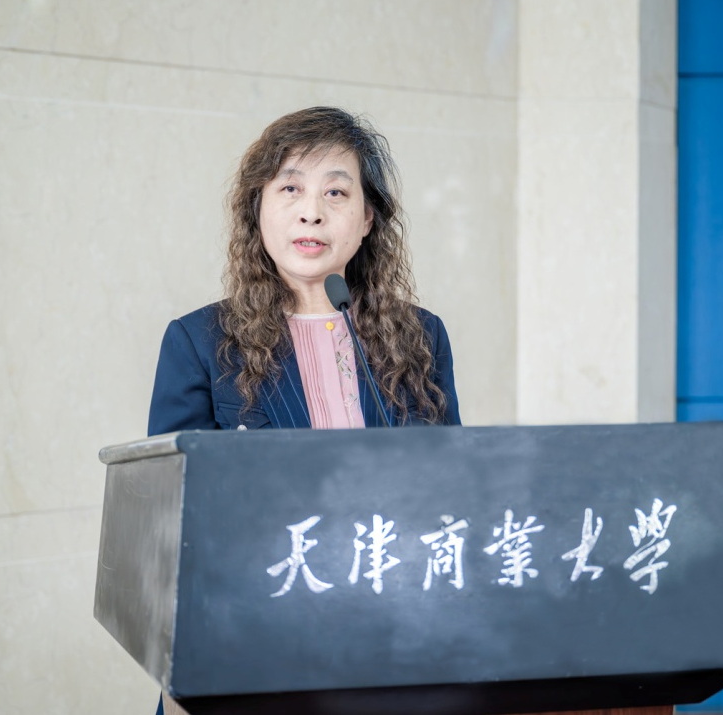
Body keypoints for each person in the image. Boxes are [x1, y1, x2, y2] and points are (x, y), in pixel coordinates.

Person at [148, 106, 461, 713]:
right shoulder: (201, 342)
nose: (312, 211)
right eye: (290, 188)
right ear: (258, 209)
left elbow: (451, 495)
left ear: (367, 219)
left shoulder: (420, 337)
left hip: (393, 645)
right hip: (252, 648)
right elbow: (172, 524)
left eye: (336, 192)